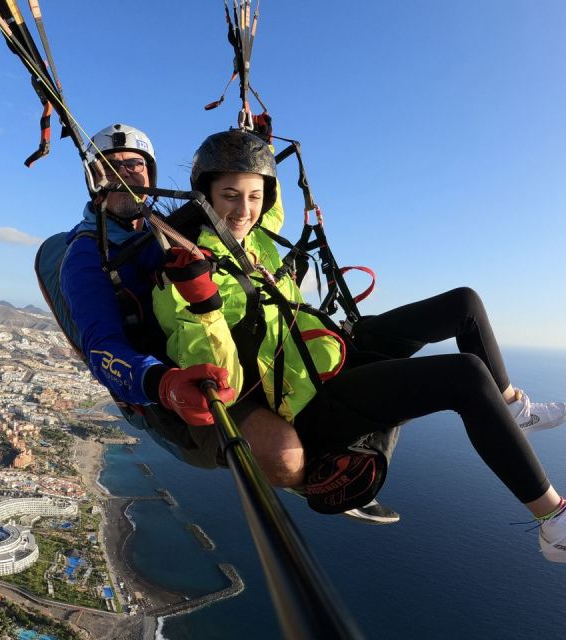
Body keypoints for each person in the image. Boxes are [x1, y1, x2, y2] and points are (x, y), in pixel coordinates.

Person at [151, 127, 566, 565]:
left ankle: (509, 408)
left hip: (328, 355)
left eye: (254, 196)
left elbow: (267, 203)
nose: (244, 209)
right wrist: (203, 303)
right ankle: (557, 526)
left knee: (463, 303)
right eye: (230, 196)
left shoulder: (255, 238)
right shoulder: (183, 268)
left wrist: (257, 139)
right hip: (305, 401)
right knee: (461, 376)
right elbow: (220, 382)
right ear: (205, 197)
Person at [57, 123, 390, 522]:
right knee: (282, 453)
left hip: (228, 352)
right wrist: (162, 383)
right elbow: (102, 348)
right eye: (109, 167)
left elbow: (255, 214)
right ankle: (315, 479)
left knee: (368, 361)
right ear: (91, 179)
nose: (124, 174)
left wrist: (256, 153)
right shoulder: (87, 256)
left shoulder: (170, 224)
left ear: (151, 173)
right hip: (182, 388)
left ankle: (343, 451)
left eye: (135, 165)